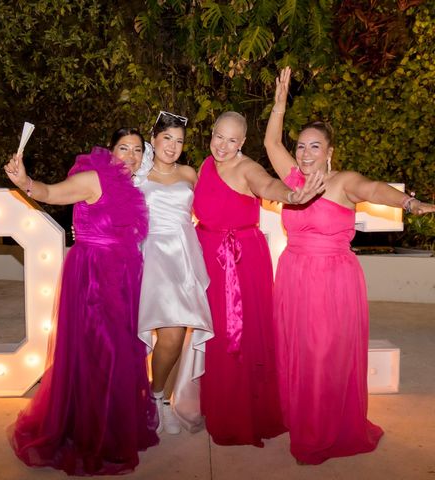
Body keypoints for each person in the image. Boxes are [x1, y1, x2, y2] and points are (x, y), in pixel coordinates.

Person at [264, 67, 435, 464]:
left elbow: (375, 190)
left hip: (332, 281)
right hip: (292, 276)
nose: (305, 154)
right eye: (302, 147)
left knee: (324, 355)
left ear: (330, 152)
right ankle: (300, 417)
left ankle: (323, 430)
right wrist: (279, 104)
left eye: (314, 147)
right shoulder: (292, 178)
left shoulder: (343, 182)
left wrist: (409, 203)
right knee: (297, 353)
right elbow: (272, 141)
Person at [4, 128, 159, 476]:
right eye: (124, 148)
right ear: (111, 150)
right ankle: (93, 435)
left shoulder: (132, 186)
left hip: (124, 276)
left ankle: (112, 427)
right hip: (93, 277)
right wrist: (25, 182)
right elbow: (51, 193)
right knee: (99, 354)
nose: (131, 156)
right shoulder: (93, 178)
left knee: (120, 352)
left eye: (137, 150)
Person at [193, 111, 324, 447]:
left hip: (240, 261)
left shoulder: (247, 168)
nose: (223, 145)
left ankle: (241, 412)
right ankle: (217, 402)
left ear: (242, 143)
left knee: (238, 336)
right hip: (208, 254)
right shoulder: (205, 166)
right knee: (214, 334)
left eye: (232, 140)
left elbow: (268, 185)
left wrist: (293, 195)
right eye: (218, 136)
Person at [136, 111, 214, 435]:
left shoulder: (189, 173)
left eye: (179, 141)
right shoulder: (138, 174)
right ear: (153, 139)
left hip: (185, 254)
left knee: (183, 332)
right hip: (153, 255)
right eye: (167, 138)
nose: (173, 146)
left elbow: (210, 206)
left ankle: (163, 398)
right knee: (170, 334)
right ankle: (154, 398)